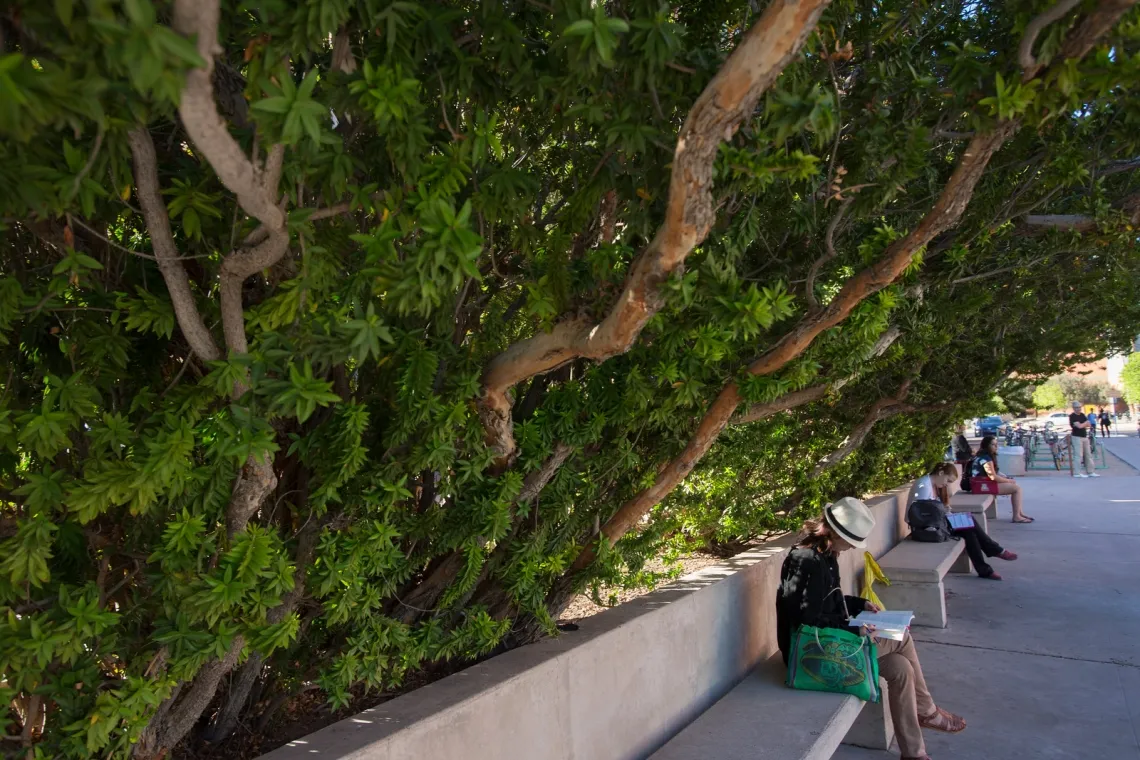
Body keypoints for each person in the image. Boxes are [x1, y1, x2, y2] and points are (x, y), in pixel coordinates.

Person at [777, 498, 966, 760]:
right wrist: (857, 632)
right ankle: (927, 711)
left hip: (831, 642)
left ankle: (914, 753)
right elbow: (805, 619)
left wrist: (858, 604)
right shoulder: (805, 560)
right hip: (810, 655)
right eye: (851, 540)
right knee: (902, 638)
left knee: (901, 668)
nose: (853, 546)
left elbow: (826, 603)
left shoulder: (826, 554)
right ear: (834, 532)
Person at [910, 463, 1018, 579]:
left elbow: (933, 510)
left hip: (936, 524)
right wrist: (945, 513)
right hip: (926, 529)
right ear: (941, 473)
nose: (947, 484)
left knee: (969, 532)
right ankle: (994, 550)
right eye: (948, 480)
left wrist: (946, 511)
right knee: (968, 520)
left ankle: (985, 570)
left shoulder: (933, 484)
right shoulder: (924, 485)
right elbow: (922, 516)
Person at [969, 435, 1035, 522]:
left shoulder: (982, 456)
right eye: (993, 445)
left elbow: (993, 473)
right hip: (982, 486)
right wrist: (1008, 480)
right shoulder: (985, 458)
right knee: (1017, 489)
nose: (996, 447)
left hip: (980, 484)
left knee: (1014, 486)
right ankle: (1016, 517)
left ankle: (1019, 513)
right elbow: (993, 477)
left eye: (996, 444)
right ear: (986, 445)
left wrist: (1005, 478)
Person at [1068, 401, 1098, 477]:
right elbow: (1079, 426)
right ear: (1074, 408)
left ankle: (1090, 471)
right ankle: (1077, 473)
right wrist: (1085, 423)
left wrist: (1084, 424)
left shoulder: (1082, 415)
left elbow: (1089, 424)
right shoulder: (1072, 416)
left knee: (1088, 454)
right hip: (1076, 437)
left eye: (1079, 407)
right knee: (1078, 455)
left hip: (1084, 436)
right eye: (1077, 407)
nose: (1078, 409)